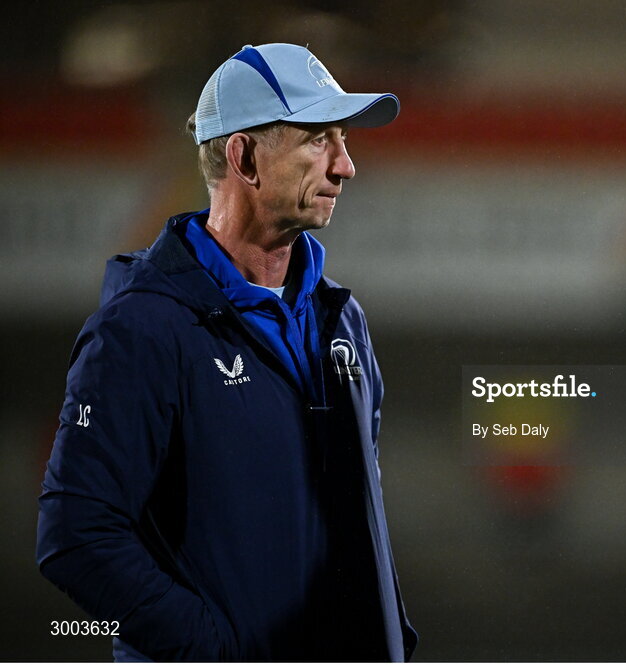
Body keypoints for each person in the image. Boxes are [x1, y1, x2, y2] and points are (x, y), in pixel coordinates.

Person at [36, 43, 417, 661]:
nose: (345, 166)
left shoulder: (342, 321)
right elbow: (76, 537)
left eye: (344, 141)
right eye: (319, 140)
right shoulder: (142, 331)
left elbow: (356, 517)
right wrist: (214, 650)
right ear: (243, 156)